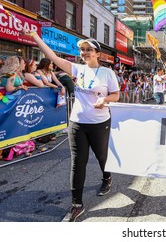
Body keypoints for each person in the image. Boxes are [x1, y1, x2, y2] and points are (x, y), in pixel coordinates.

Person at [24, 29, 120, 222]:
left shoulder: (108, 73)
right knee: (78, 162)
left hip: (99, 122)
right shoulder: (78, 69)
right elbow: (51, 56)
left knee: (102, 156)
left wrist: (105, 100)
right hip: (77, 123)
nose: (84, 53)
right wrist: (34, 36)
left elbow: (116, 96)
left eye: (88, 50)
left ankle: (107, 177)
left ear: (98, 54)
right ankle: (77, 205)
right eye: (82, 50)